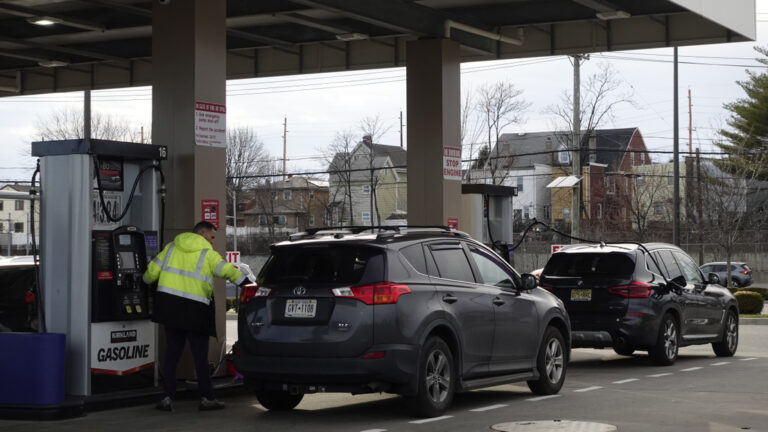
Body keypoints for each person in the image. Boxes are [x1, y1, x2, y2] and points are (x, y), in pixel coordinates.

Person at [143, 221, 251, 412]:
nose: (212, 241)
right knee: (200, 356)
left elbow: (151, 273)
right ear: (201, 233)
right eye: (211, 237)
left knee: (172, 355)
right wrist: (248, 284)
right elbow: (227, 271)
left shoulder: (171, 248)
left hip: (170, 309)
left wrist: (143, 280)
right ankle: (207, 398)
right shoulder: (208, 254)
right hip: (195, 311)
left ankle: (167, 397)